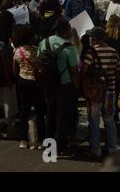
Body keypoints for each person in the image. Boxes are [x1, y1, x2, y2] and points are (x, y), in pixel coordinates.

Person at [38, 18, 79, 156]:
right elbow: (74, 71)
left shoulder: (44, 42)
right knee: (63, 116)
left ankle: (48, 145)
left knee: (50, 114)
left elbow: (39, 61)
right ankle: (61, 147)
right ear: (66, 30)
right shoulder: (70, 47)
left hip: (47, 84)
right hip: (64, 84)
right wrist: (76, 86)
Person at [82, 27, 120, 157]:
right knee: (109, 120)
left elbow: (84, 70)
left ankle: (95, 149)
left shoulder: (91, 52)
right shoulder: (114, 51)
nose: (89, 39)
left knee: (94, 120)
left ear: (95, 39)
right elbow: (118, 70)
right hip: (110, 91)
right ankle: (111, 148)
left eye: (91, 37)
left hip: (95, 93)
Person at [12, 25, 46, 149]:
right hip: (36, 83)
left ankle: (23, 140)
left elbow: (15, 71)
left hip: (23, 82)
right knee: (39, 111)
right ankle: (42, 140)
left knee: (24, 111)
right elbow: (41, 67)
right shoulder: (37, 50)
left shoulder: (17, 51)